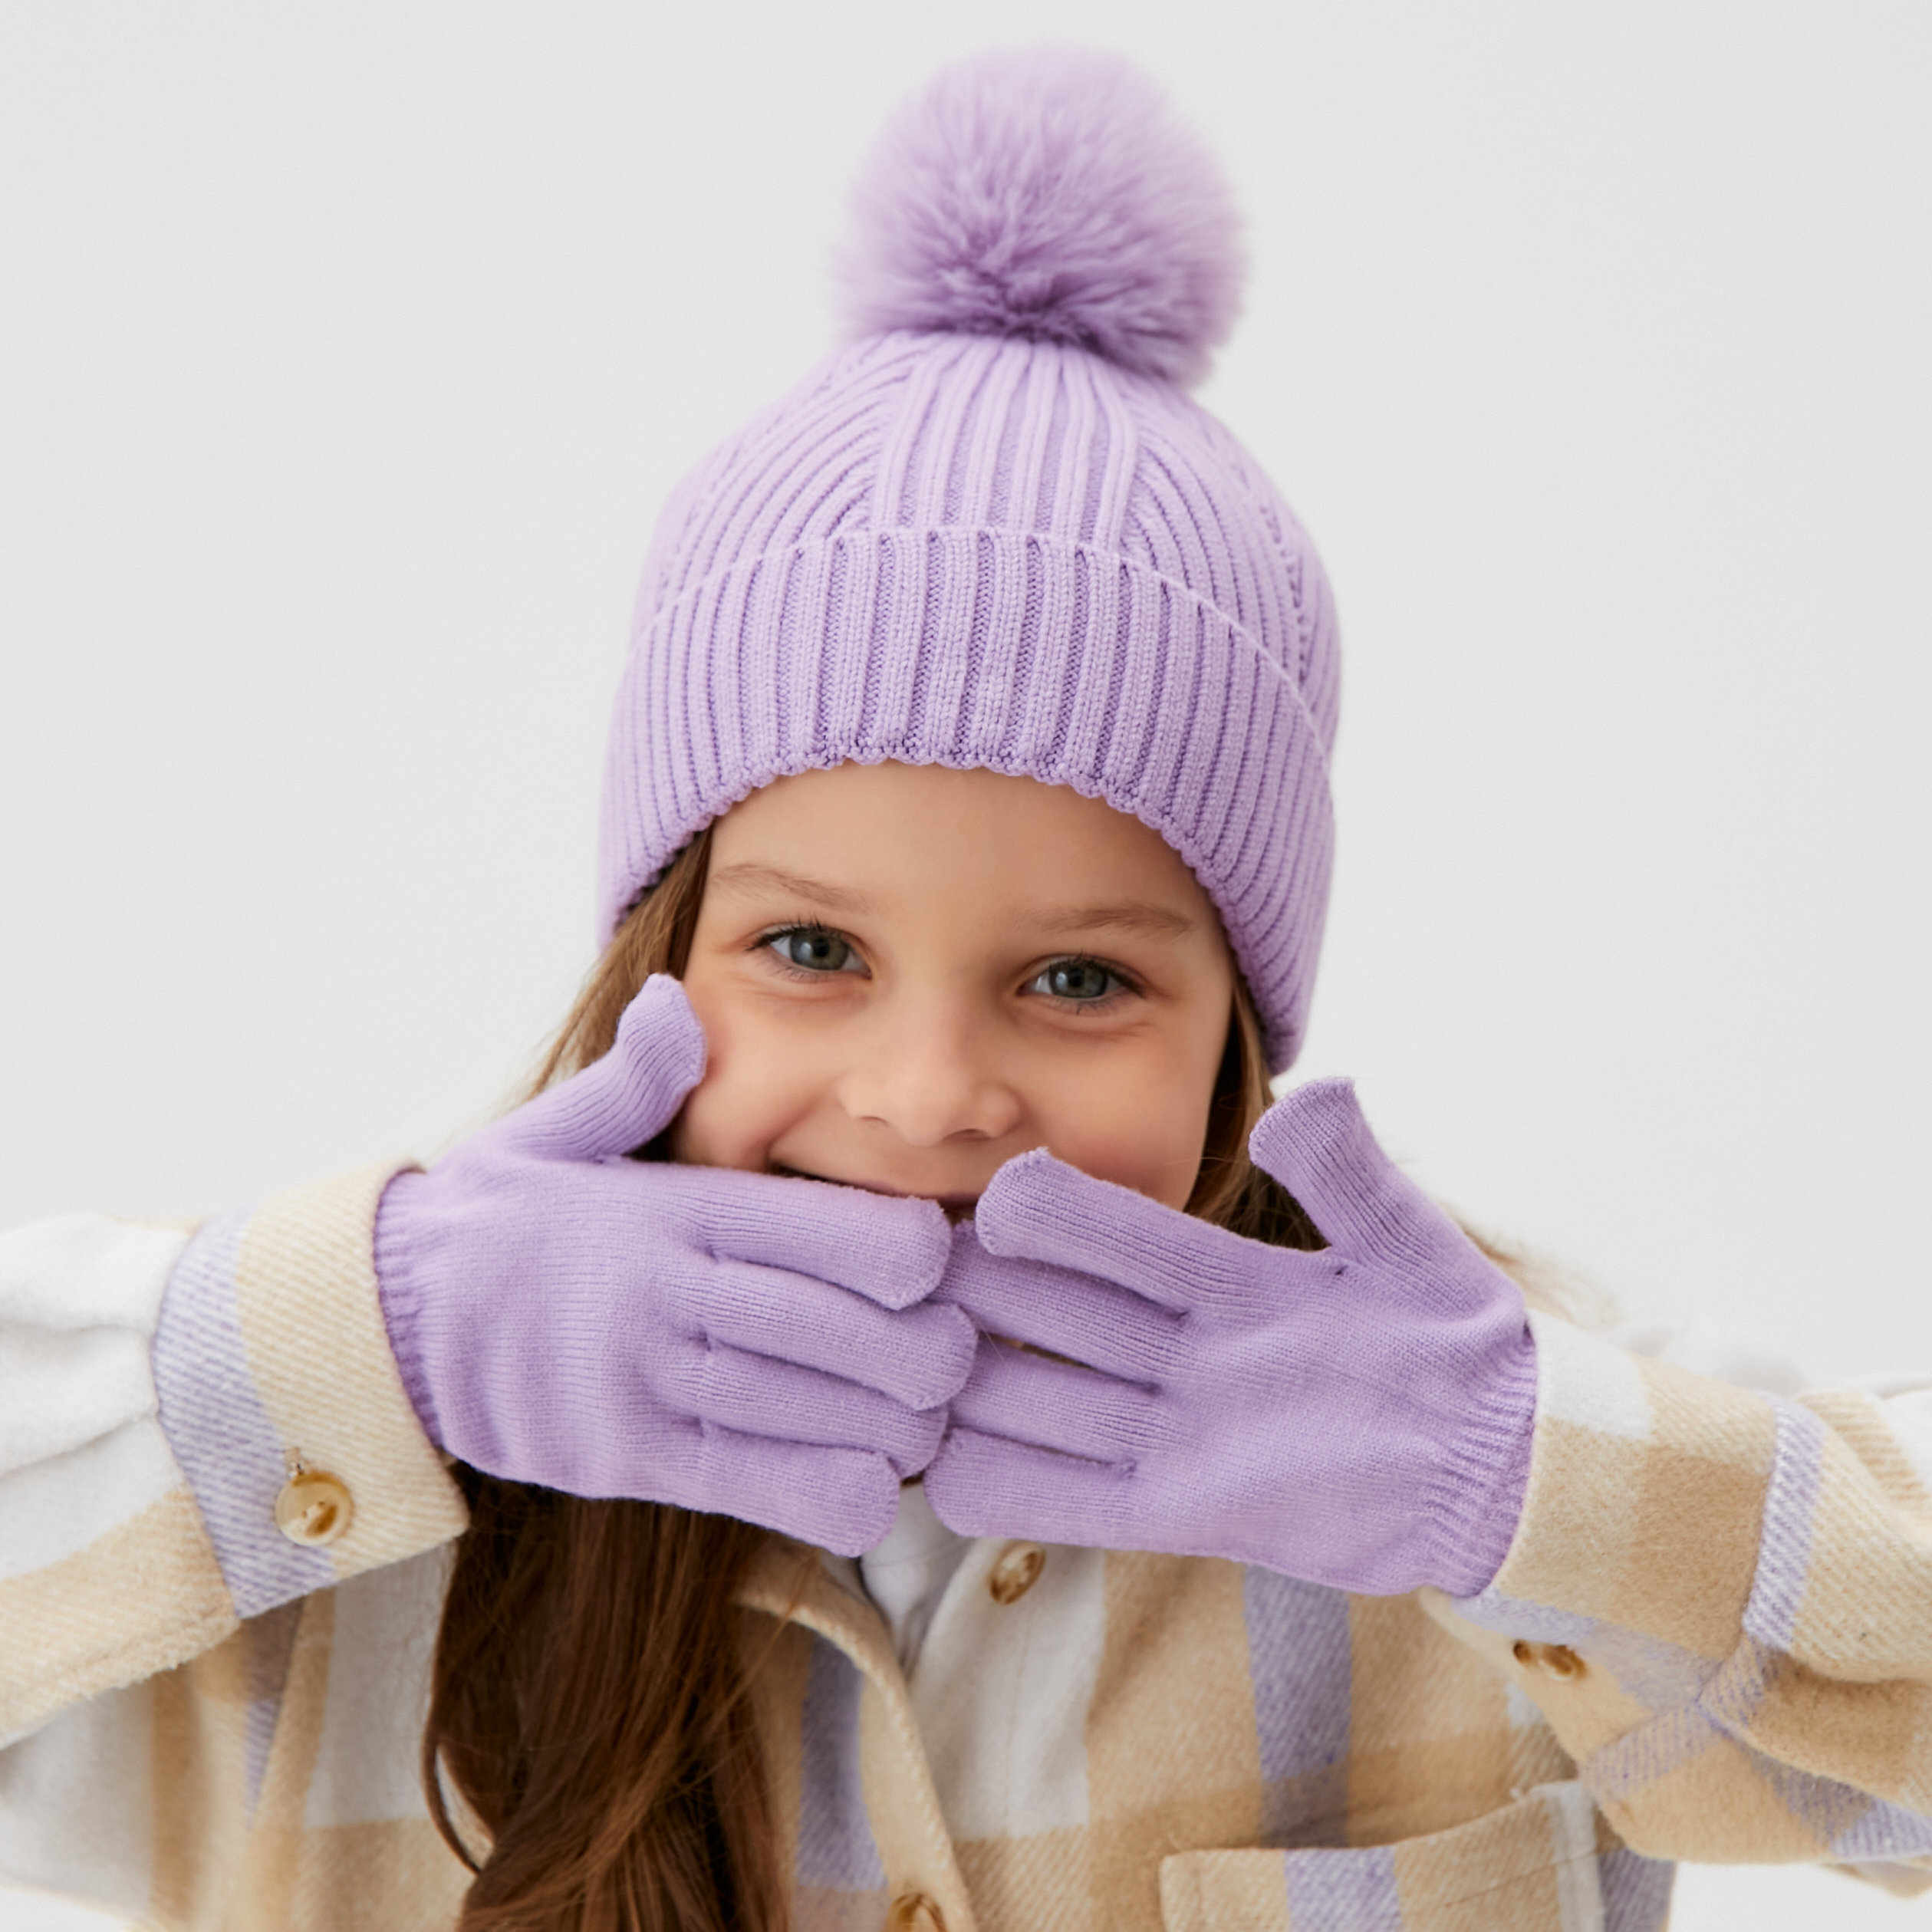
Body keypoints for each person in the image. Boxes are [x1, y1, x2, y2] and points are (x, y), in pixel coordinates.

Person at [3, 45, 1929, 1932]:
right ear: (655, 953)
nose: (928, 1094)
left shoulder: (1459, 1454)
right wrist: (363, 1346)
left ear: (1243, 1034)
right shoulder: (346, 1520)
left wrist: (1520, 1486)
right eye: (812, 950)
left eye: (1080, 978)